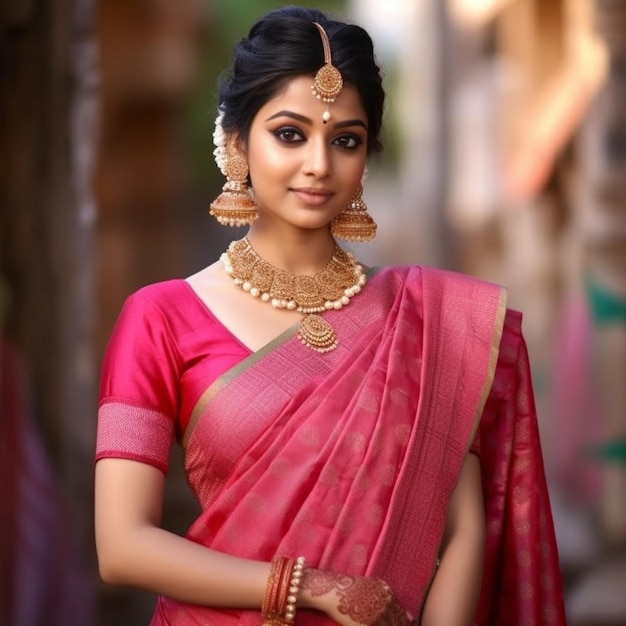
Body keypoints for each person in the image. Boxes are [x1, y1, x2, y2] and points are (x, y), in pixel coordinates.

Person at [94, 6, 566, 625]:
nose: (319, 163)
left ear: (367, 154)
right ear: (237, 143)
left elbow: (461, 531)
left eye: (345, 139)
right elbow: (122, 547)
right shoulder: (159, 318)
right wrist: (312, 587)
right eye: (290, 134)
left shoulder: (429, 323)